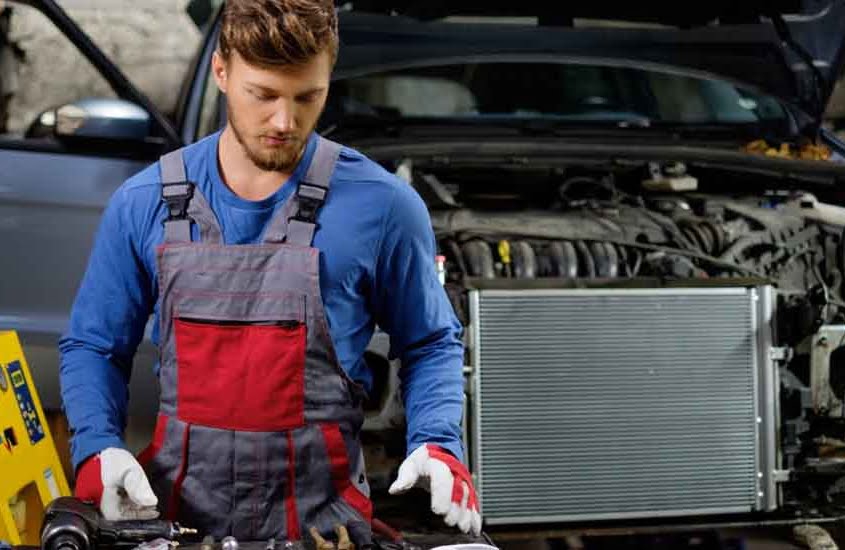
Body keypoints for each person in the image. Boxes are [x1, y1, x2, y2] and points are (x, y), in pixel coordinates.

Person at [58, 0, 481, 541]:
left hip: (327, 529)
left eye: (308, 97)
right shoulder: (144, 203)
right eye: (263, 95)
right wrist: (98, 446)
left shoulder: (383, 206)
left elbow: (431, 340)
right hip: (174, 525)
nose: (285, 121)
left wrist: (438, 442)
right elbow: (95, 345)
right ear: (222, 71)